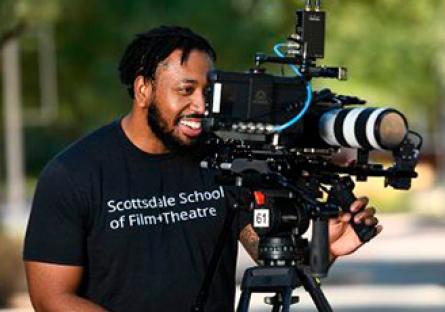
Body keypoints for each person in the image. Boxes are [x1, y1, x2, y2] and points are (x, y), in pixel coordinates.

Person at [23, 26, 382, 312]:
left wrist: (326, 251)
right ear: (143, 89)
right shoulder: (73, 174)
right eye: (186, 90)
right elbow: (51, 298)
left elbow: (265, 254)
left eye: (209, 91)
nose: (200, 104)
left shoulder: (226, 159)